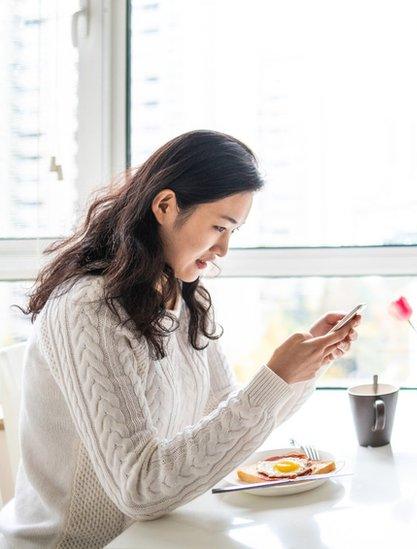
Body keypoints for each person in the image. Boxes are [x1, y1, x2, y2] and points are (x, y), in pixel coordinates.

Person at [0, 130, 360, 547]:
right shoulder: (87, 309)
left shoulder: (186, 296)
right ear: (166, 206)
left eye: (233, 231)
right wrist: (275, 376)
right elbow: (141, 490)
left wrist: (300, 371)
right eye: (218, 227)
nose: (223, 248)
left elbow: (224, 433)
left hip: (158, 534)